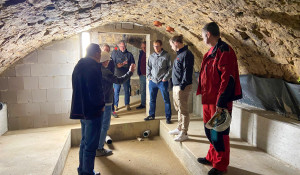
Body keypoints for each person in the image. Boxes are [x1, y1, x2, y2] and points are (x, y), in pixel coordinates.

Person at [196, 22, 242, 175]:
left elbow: (227, 79)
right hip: (208, 100)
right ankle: (212, 157)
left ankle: (221, 165)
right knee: (211, 131)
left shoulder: (224, 51)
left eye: (203, 36)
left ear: (208, 34)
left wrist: (221, 102)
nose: (202, 39)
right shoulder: (210, 52)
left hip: (218, 102)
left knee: (220, 133)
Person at [70, 43, 104, 175]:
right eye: (100, 53)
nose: (100, 55)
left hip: (82, 110)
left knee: (84, 142)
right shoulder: (93, 67)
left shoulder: (79, 65)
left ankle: (82, 170)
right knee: (90, 145)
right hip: (92, 111)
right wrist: (100, 106)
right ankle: (88, 172)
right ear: (96, 53)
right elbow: (94, 90)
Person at [97, 52, 135, 156]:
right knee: (104, 126)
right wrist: (130, 72)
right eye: (108, 61)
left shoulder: (96, 69)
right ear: (105, 61)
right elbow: (118, 80)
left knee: (100, 125)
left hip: (100, 101)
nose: (108, 62)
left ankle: (97, 146)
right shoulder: (104, 71)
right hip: (106, 102)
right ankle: (99, 148)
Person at [168, 35, 194, 142]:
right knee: (178, 108)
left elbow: (187, 72)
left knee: (183, 110)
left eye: (171, 45)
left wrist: (182, 86)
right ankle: (179, 128)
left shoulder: (187, 54)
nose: (171, 47)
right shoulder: (180, 54)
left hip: (182, 86)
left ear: (176, 43)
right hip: (177, 85)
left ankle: (184, 132)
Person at [144, 40, 172, 124]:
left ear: (161, 46)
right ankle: (151, 115)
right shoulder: (151, 56)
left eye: (157, 46)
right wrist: (149, 77)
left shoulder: (166, 56)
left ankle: (168, 117)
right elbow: (148, 67)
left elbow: (170, 68)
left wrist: (165, 78)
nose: (156, 48)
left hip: (162, 82)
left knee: (166, 100)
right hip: (152, 82)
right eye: (154, 46)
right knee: (152, 99)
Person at [111, 40, 135, 111]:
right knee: (116, 91)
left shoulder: (129, 54)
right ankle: (115, 105)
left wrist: (132, 66)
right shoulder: (115, 53)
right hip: (117, 76)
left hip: (126, 75)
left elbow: (132, 63)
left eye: (124, 46)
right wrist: (120, 65)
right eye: (121, 46)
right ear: (118, 46)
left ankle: (127, 104)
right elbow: (113, 64)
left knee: (127, 90)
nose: (123, 47)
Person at [101, 44, 118, 118]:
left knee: (111, 96)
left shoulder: (111, 60)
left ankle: (112, 110)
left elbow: (112, 70)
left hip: (109, 81)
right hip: (102, 83)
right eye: (105, 49)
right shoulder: (99, 60)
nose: (106, 51)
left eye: (107, 50)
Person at [136, 41, 147, 109]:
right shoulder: (141, 53)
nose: (143, 49)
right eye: (142, 47)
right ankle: (143, 104)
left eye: (145, 47)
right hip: (142, 75)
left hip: (149, 76)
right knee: (142, 90)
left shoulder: (150, 52)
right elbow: (139, 63)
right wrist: (139, 72)